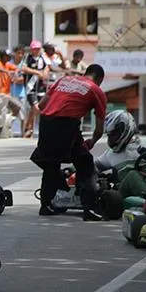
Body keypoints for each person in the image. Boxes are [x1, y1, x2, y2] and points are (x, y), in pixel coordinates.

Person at [31, 64, 108, 221]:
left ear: (85, 73)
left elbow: (42, 105)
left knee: (51, 162)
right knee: (85, 162)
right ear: (100, 79)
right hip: (66, 124)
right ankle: (90, 208)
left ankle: (45, 205)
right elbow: (99, 129)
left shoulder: (63, 80)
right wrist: (92, 141)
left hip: (46, 122)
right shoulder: (96, 90)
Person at [95, 111, 146, 198]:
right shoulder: (110, 154)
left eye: (114, 134)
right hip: (125, 196)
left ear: (125, 129)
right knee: (132, 176)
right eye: (110, 135)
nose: (111, 139)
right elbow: (92, 166)